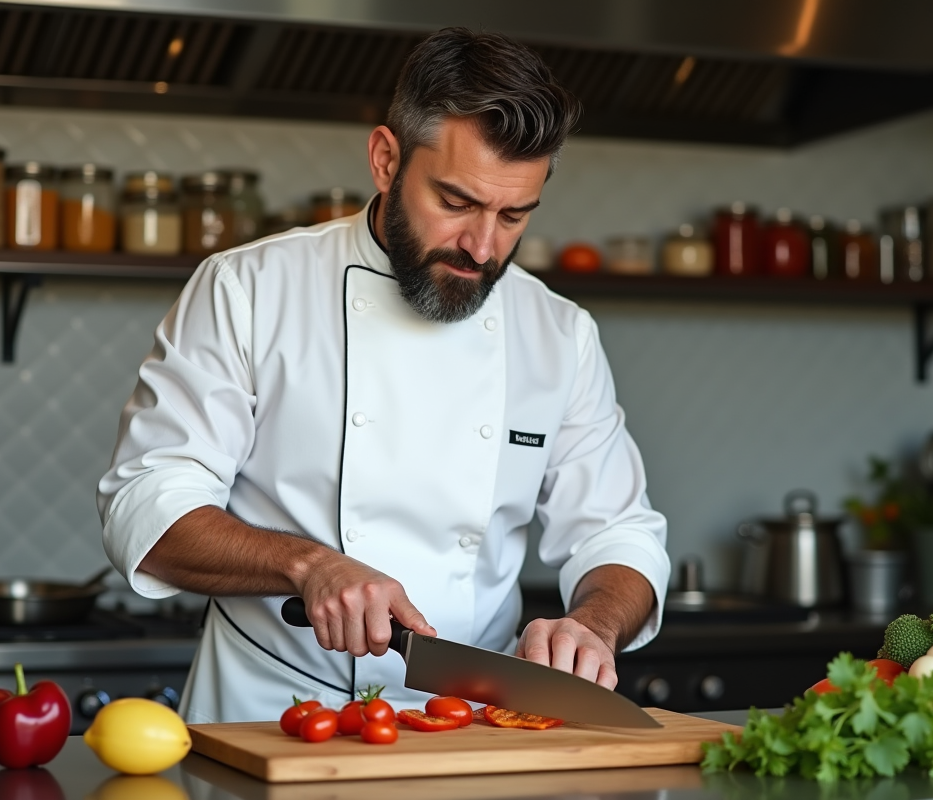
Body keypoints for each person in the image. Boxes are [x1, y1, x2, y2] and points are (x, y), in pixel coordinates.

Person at [97, 27, 669, 724]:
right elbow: (147, 504)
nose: (482, 247)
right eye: (456, 202)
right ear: (385, 160)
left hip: (471, 719)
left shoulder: (559, 333)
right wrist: (309, 565)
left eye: (513, 215)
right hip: (272, 714)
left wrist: (596, 625)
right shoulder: (248, 288)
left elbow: (617, 533)